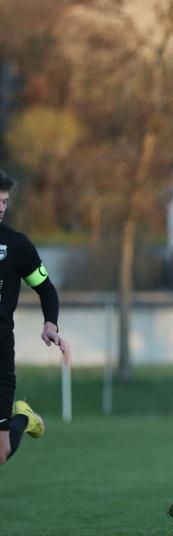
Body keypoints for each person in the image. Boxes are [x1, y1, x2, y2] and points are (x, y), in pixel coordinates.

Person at [0, 170, 69, 466]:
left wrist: (50, 324)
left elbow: (46, 289)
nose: (1, 207)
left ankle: (22, 418)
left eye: (4, 201)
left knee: (0, 453)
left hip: (0, 354)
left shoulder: (17, 245)